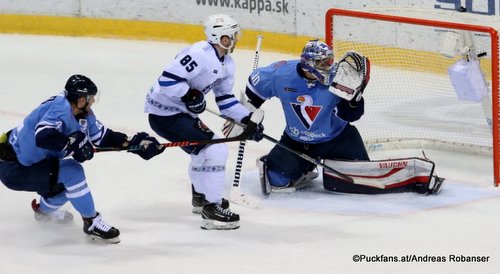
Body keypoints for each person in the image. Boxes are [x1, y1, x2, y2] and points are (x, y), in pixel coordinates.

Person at [243, 39, 444, 195]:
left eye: (330, 60)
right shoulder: (281, 74)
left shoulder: (341, 76)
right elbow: (254, 91)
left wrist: (354, 98)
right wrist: (247, 119)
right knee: (276, 180)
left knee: (364, 179)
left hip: (338, 139)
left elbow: (351, 115)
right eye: (323, 63)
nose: (330, 66)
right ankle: (304, 167)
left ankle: (311, 162)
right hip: (295, 141)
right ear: (309, 64)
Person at [0, 74, 164, 244]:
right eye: (90, 97)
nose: (93, 101)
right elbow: (43, 136)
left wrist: (133, 143)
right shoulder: (60, 109)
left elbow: (103, 137)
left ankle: (43, 212)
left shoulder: (83, 114)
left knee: (71, 189)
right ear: (80, 99)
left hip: (33, 162)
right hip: (14, 168)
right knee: (72, 172)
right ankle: (91, 222)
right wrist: (70, 144)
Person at [144, 14, 264, 230]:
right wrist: (189, 95)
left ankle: (202, 197)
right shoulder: (199, 54)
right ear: (223, 38)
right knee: (216, 150)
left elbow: (225, 100)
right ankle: (213, 207)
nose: (237, 38)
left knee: (201, 152)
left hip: (181, 115)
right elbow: (167, 81)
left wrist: (246, 120)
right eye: (233, 35)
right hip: (164, 114)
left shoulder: (227, 63)